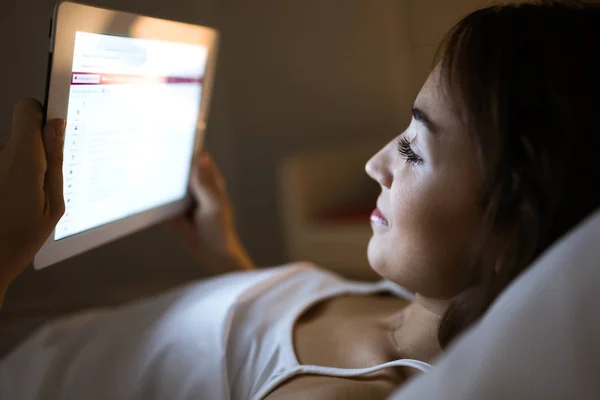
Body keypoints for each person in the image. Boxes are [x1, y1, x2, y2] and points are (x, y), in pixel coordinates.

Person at [1, 1, 599, 399]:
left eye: (415, 150)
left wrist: (6, 248)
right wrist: (225, 256)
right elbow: (251, 360)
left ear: (511, 225)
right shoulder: (412, 301)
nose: (375, 164)